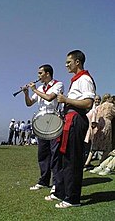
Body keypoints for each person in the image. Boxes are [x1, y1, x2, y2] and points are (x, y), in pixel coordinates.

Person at [46, 50, 96, 208]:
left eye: (69, 62)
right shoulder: (76, 80)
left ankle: (72, 198)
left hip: (76, 120)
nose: (66, 65)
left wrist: (66, 99)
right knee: (63, 157)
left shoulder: (85, 79)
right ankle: (61, 192)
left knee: (72, 159)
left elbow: (88, 103)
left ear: (77, 62)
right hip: (69, 119)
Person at [22, 64, 64, 191]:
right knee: (43, 153)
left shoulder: (58, 84)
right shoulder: (40, 87)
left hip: (54, 121)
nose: (38, 76)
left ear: (47, 73)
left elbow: (50, 98)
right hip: (41, 123)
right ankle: (44, 180)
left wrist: (34, 90)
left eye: (40, 73)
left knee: (55, 153)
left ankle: (57, 183)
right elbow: (29, 103)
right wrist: (26, 93)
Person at [91, 93, 115, 163]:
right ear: (108, 98)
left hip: (100, 123)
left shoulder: (99, 106)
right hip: (107, 122)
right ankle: (101, 162)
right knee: (107, 145)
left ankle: (87, 162)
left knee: (96, 145)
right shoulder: (111, 105)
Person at [83, 95, 101, 171]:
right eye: (96, 99)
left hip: (87, 129)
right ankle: (85, 163)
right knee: (88, 147)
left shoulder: (93, 109)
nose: (97, 101)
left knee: (87, 147)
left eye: (98, 99)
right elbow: (93, 123)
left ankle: (85, 162)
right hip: (89, 130)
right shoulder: (93, 110)